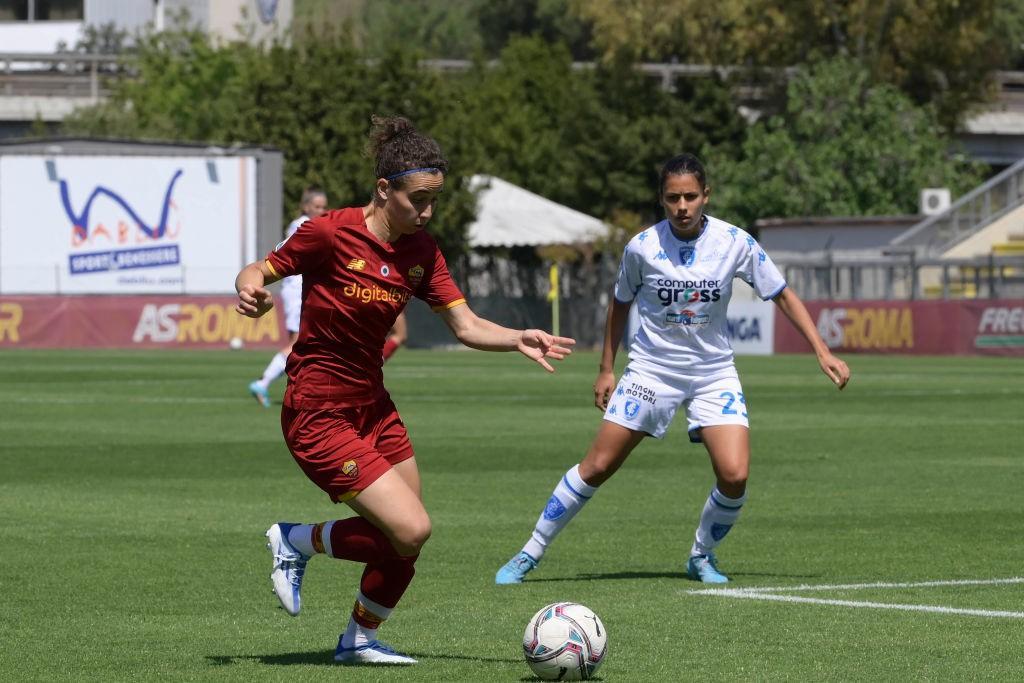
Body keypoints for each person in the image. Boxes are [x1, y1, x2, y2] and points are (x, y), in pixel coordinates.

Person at [234, 115, 574, 665]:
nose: (427, 212)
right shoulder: (329, 232)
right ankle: (295, 540)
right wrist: (250, 289)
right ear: (384, 190)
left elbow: (464, 326)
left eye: (435, 199)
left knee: (405, 536)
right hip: (317, 412)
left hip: (374, 406)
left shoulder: (422, 252)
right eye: (418, 199)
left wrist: (516, 338)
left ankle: (358, 639)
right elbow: (260, 269)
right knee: (411, 529)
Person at [495, 153, 850, 586]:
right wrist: (607, 369)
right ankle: (530, 552)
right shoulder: (642, 247)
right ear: (661, 200)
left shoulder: (735, 242)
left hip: (713, 372)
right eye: (672, 198)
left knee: (735, 475)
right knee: (598, 466)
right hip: (650, 371)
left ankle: (702, 556)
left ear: (706, 196)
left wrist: (821, 350)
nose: (682, 206)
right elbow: (619, 305)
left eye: (690, 196)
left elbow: (782, 293)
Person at [248, 186, 329, 408]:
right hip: (297, 290)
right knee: (297, 343)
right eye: (317, 206)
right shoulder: (302, 225)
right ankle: (264, 382)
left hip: (301, 290)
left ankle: (297, 388)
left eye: (324, 207)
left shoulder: (311, 224)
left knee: (304, 342)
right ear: (306, 207)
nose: (321, 210)